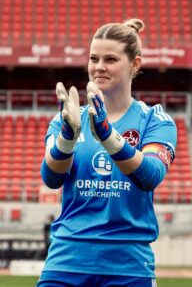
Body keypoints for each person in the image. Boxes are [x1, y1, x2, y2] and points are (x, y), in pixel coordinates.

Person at [37, 18, 177, 287]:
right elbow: (51, 178)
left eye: (111, 59)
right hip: (67, 260)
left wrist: (107, 135)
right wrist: (67, 138)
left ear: (135, 64)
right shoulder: (67, 118)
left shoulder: (155, 120)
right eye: (93, 58)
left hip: (128, 265)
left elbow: (149, 176)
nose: (99, 67)